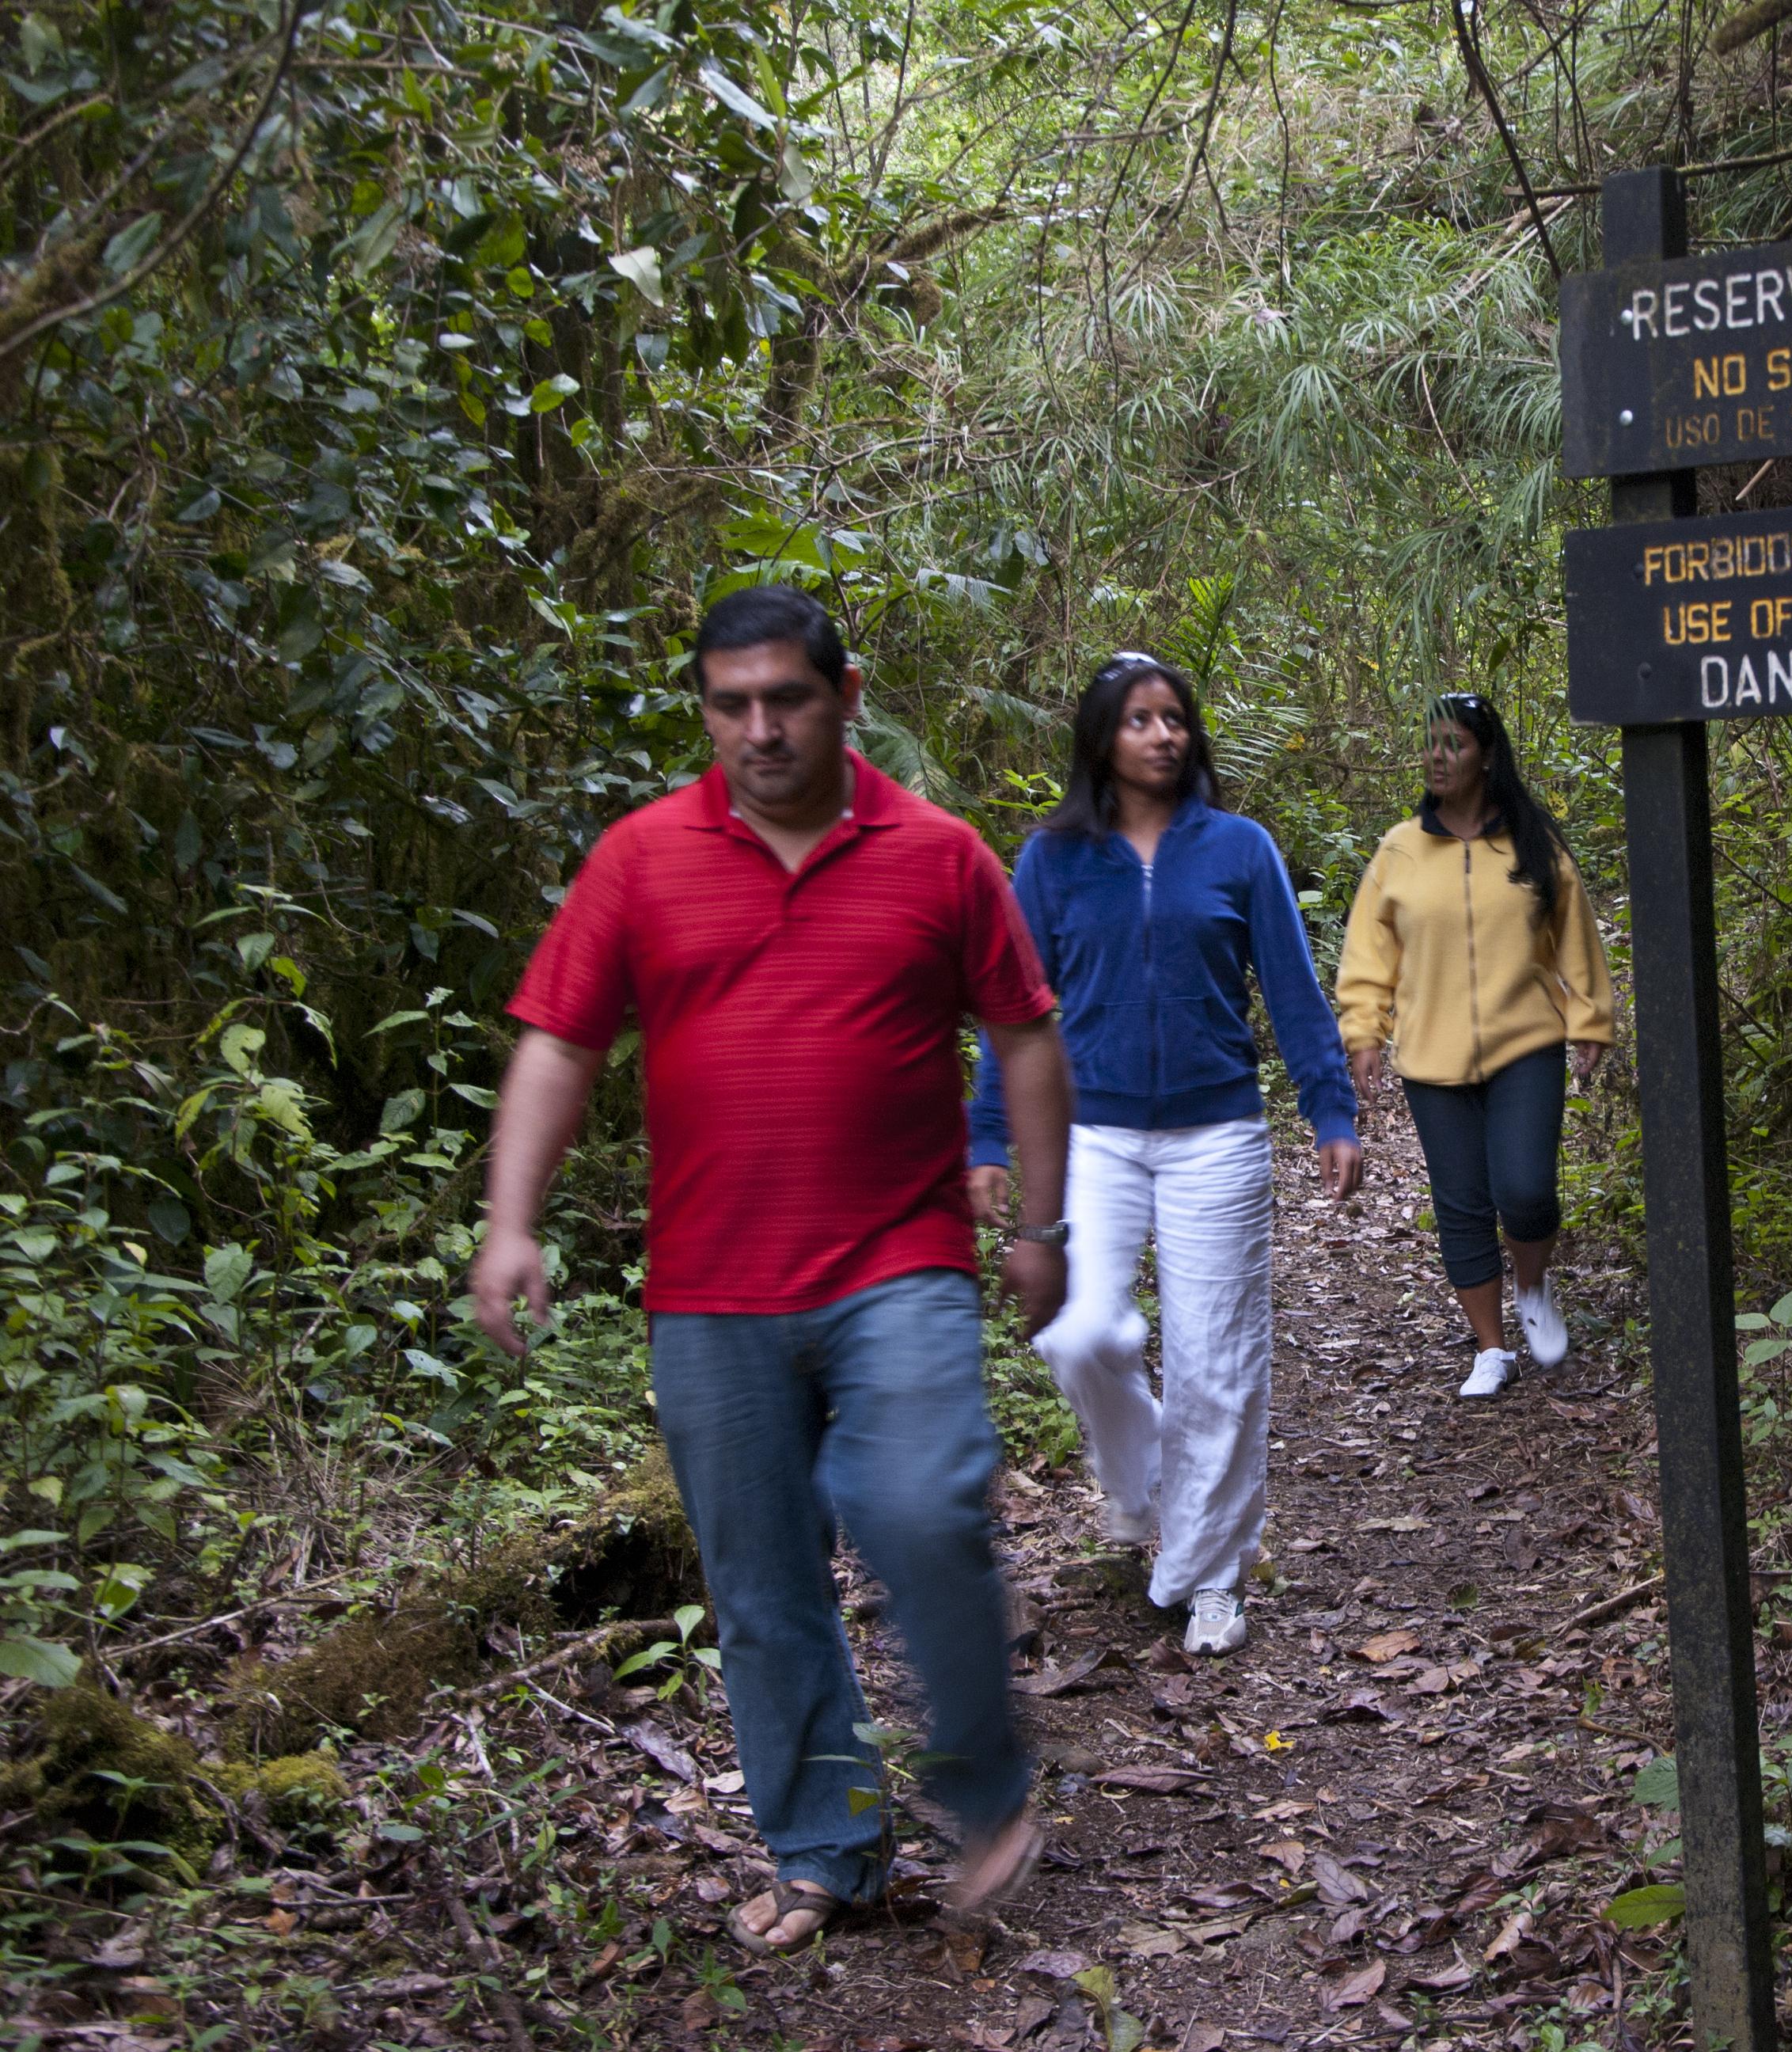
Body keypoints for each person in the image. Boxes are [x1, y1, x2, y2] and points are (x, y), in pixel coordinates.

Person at [469, 584, 1073, 1958]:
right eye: (730, 704)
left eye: (786, 699)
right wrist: (512, 1221)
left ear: (844, 694)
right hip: (708, 1293)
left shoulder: (938, 855)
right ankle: (827, 1849)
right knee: (761, 1586)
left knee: (918, 1501)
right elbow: (560, 1042)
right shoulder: (639, 858)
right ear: (704, 709)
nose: (760, 729)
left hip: (899, 1267)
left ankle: (983, 1790)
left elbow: (1025, 1039)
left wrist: (1041, 1226)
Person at [966, 652, 1361, 1658]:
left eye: (1174, 718)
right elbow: (1013, 1015)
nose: (1161, 735)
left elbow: (1290, 985)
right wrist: (987, 1134)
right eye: (1138, 720)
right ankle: (1145, 1492)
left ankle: (1211, 1574)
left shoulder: (1237, 849)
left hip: (1215, 1135)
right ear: (1102, 738)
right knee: (1078, 1331)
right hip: (1090, 1133)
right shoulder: (1051, 860)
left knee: (1214, 1366)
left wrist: (1331, 1110)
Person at [1336, 691, 1614, 1400]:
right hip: (1432, 1058)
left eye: (1453, 742)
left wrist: (1589, 1020)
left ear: (1485, 756)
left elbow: (1574, 937)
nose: (1437, 754)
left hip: (1526, 1042)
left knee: (1524, 1190)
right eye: (1430, 742)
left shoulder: (1531, 843)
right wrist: (1363, 1030)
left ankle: (1532, 1286)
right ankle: (1491, 1349)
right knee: (1460, 1203)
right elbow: (1369, 953)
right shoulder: (1399, 850)